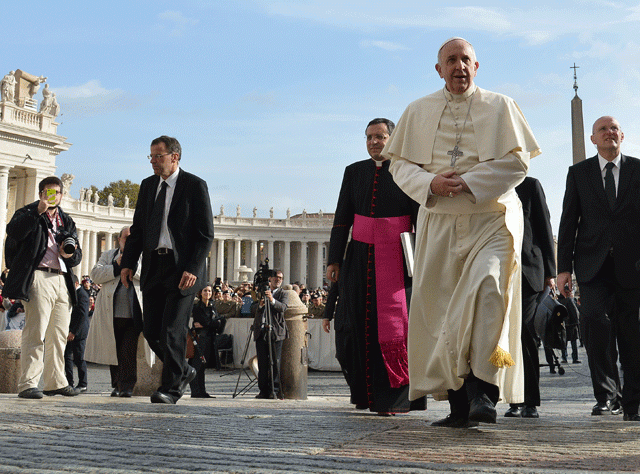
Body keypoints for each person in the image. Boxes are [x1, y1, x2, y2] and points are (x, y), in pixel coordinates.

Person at [384, 37, 540, 427]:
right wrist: (431, 184)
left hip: (492, 216)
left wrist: (470, 181)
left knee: (489, 290)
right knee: (441, 311)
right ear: (438, 69)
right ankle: (457, 405)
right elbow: (400, 167)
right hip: (439, 220)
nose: (459, 66)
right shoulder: (417, 110)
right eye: (451, 60)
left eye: (466, 59)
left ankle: (484, 391)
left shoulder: (501, 106)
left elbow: (518, 163)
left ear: (477, 65)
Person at [325, 118, 425, 415]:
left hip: (398, 257)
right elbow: (343, 217)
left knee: (397, 328)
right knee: (358, 326)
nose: (373, 142)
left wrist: (422, 257)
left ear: (393, 139)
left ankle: (395, 399)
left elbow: (422, 217)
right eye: (369, 137)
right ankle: (364, 394)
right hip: (359, 258)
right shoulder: (354, 172)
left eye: (380, 137)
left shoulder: (409, 170)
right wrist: (334, 258)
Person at [120, 135, 215, 404]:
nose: (153, 161)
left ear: (175, 157)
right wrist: (128, 263)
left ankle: (171, 389)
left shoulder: (194, 185)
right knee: (151, 330)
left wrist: (193, 268)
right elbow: (138, 230)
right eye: (150, 156)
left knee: (173, 330)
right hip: (154, 266)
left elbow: (205, 234)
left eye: (158, 156)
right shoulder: (148, 186)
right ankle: (183, 370)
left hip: (182, 269)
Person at [557, 116, 640, 421]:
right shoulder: (578, 173)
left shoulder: (638, 169)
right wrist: (563, 268)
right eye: (602, 129)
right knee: (595, 325)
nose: (609, 133)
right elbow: (569, 221)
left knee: (633, 333)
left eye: (614, 128)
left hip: (633, 265)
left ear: (623, 135)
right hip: (592, 265)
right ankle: (606, 394)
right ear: (592, 139)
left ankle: (634, 402)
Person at [4, 176, 83, 399]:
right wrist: (37, 211)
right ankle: (28, 383)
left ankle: (55, 381)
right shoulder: (27, 212)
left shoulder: (66, 220)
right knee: (35, 332)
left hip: (62, 278)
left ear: (61, 195)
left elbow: (77, 255)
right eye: (49, 192)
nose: (53, 196)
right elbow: (15, 232)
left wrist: (70, 253)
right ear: (40, 194)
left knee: (58, 333)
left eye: (57, 192)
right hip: (38, 275)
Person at [504, 177, 556, 418]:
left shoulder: (531, 185)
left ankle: (529, 400)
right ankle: (511, 398)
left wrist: (550, 273)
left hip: (528, 272)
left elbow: (544, 227)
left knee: (525, 334)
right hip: (499, 271)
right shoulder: (489, 183)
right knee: (502, 336)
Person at [85, 226, 153, 397]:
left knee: (128, 350)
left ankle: (128, 385)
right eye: (125, 238)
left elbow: (148, 274)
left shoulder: (144, 255)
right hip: (111, 312)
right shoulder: (108, 255)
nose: (128, 241)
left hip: (133, 312)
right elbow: (95, 274)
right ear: (119, 240)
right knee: (112, 350)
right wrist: (116, 265)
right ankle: (117, 384)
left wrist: (131, 264)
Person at [251, 269, 287, 399]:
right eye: (276, 277)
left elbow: (283, 307)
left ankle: (274, 389)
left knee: (275, 362)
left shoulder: (283, 293)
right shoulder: (262, 291)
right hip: (261, 331)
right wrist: (260, 305)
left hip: (276, 332)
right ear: (270, 279)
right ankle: (263, 390)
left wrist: (272, 300)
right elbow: (252, 309)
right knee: (262, 362)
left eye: (281, 278)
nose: (278, 280)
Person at [188, 284, 220, 398]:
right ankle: (195, 391)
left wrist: (211, 323)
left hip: (209, 338)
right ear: (201, 292)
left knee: (203, 366)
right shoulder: (197, 307)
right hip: (200, 338)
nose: (208, 293)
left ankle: (202, 391)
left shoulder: (212, 306)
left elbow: (218, 322)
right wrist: (212, 323)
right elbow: (205, 321)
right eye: (205, 291)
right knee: (197, 365)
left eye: (210, 291)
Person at [64, 278, 91, 393]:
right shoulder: (75, 293)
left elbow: (82, 315)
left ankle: (83, 383)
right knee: (67, 357)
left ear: (76, 283)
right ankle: (69, 382)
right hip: (70, 330)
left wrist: (74, 332)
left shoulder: (82, 294)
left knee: (79, 358)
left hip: (79, 332)